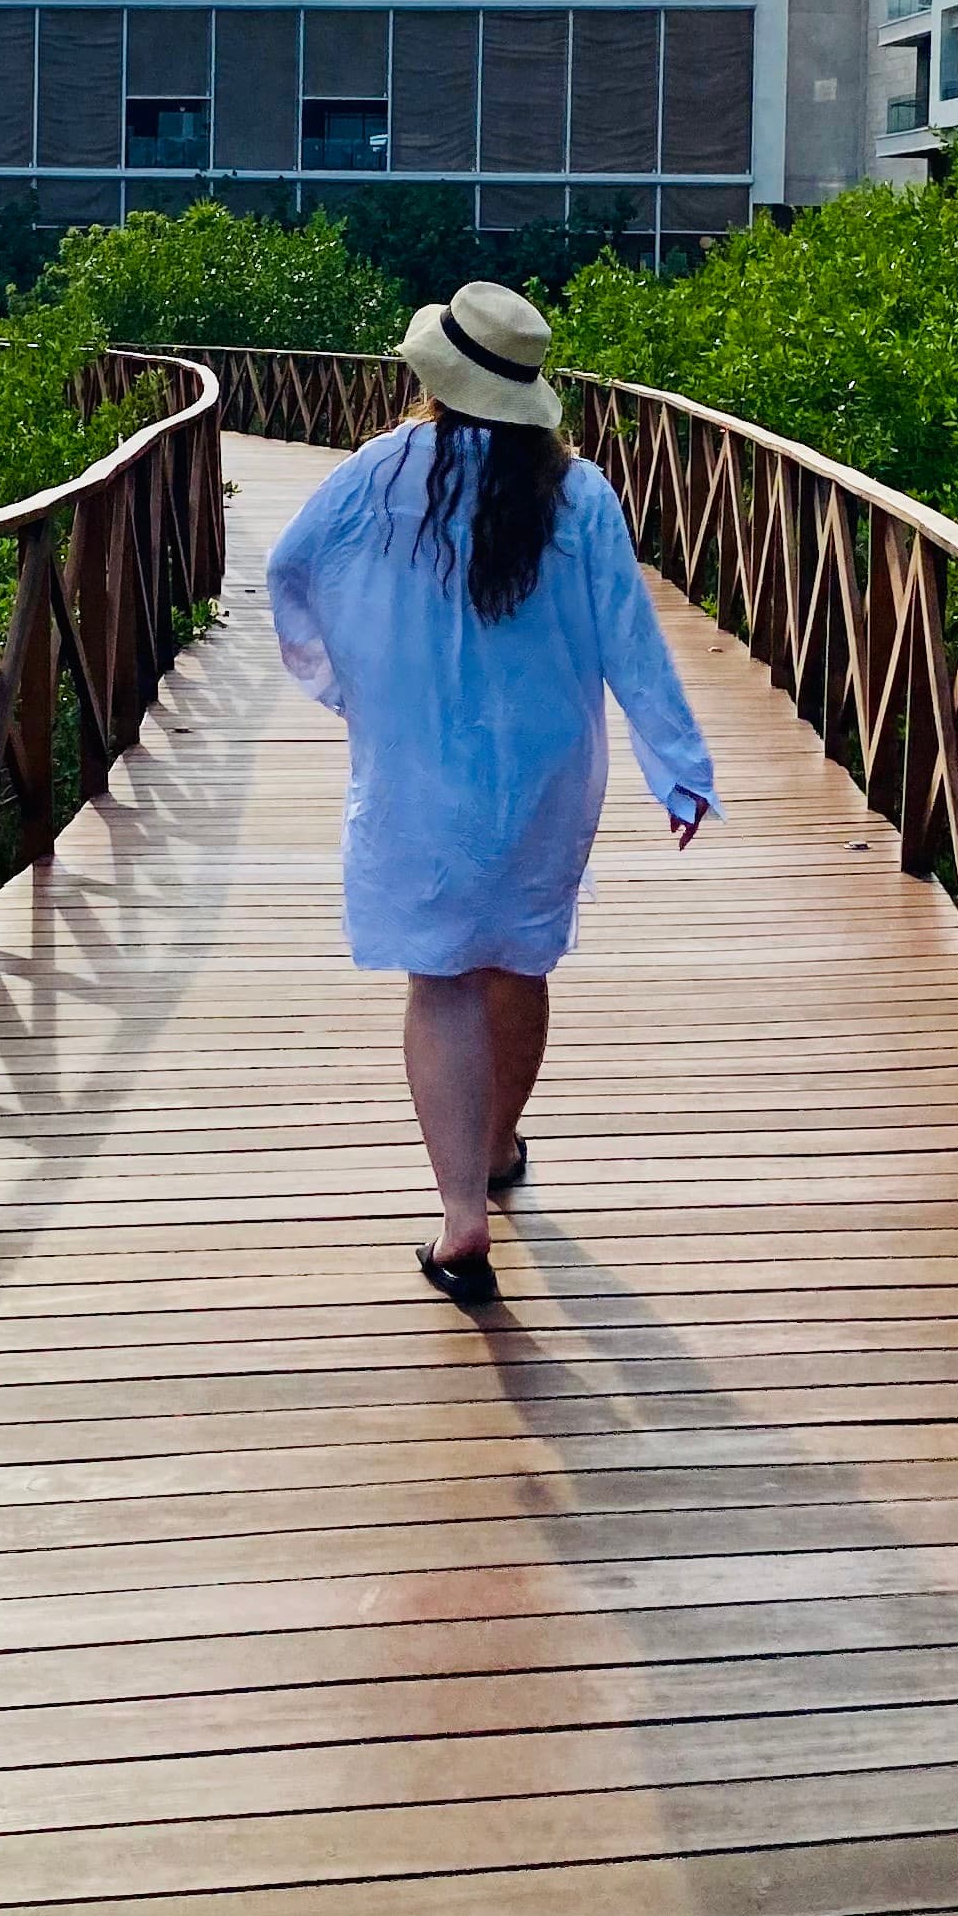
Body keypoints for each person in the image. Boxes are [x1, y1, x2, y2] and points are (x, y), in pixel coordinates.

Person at [266, 279, 716, 1307]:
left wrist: (355, 685)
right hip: (549, 769)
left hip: (421, 763)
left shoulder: (381, 474)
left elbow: (290, 572)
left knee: (441, 976)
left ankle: (461, 1213)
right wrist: (678, 765)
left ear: (436, 375)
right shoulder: (581, 493)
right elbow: (630, 640)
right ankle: (502, 1137)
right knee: (519, 954)